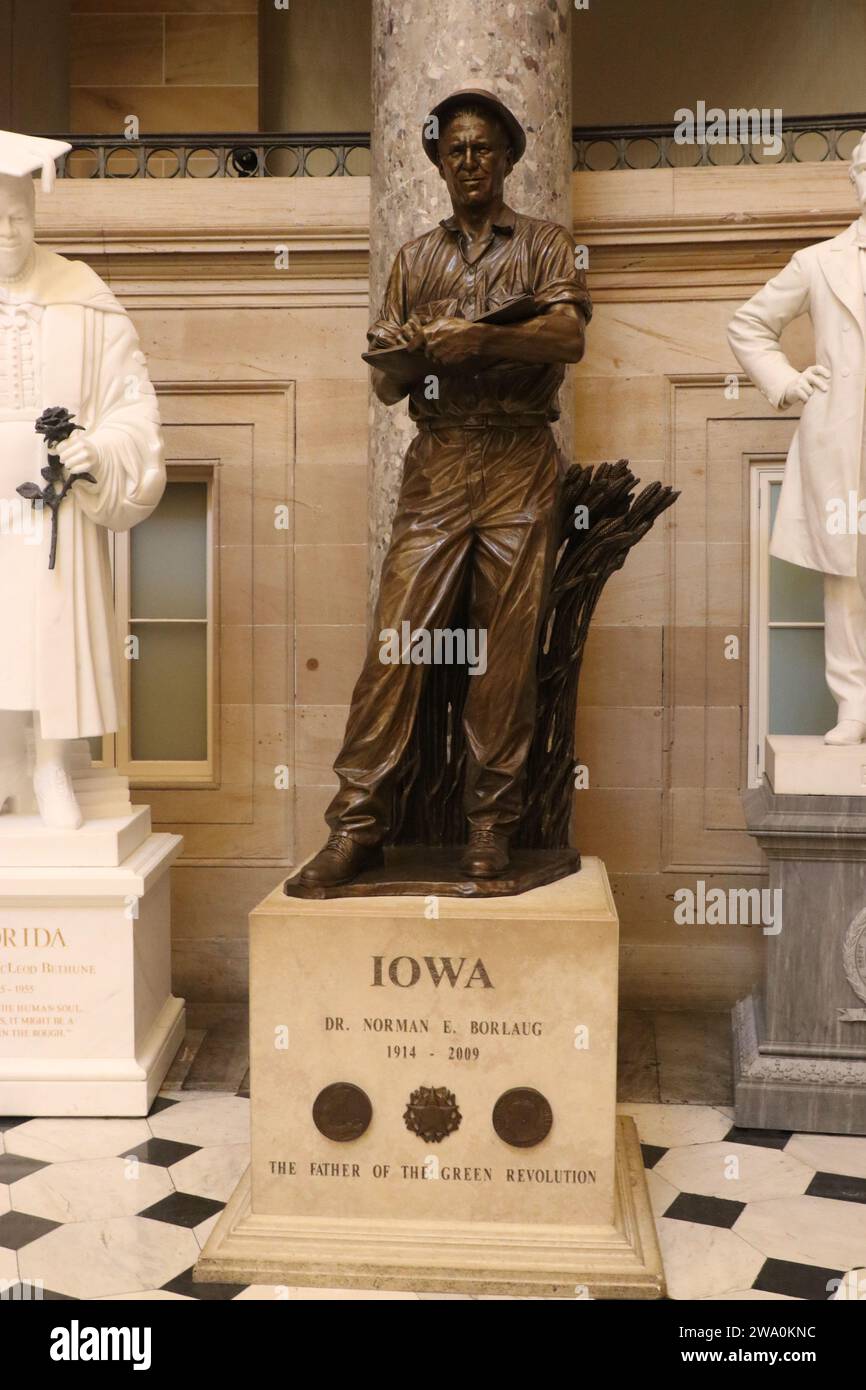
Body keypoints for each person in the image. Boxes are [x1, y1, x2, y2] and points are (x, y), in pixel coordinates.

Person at [302, 89, 591, 886]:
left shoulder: (543, 244)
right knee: (396, 641)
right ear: (438, 161)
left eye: (483, 149)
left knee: (503, 655)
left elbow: (567, 336)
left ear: (506, 160)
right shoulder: (413, 260)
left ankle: (491, 826)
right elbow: (389, 388)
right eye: (455, 149)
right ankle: (355, 823)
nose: (469, 161)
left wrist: (476, 337)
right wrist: (414, 354)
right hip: (438, 460)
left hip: (519, 459)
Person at [0, 131, 165, 828]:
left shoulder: (82, 295)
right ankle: (7, 763)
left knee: (51, 624)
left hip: (52, 503)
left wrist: (99, 450)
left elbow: (133, 403)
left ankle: (50, 763)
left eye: (17, 215)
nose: (8, 230)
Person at [728, 133, 866, 747]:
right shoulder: (819, 262)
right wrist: (786, 381)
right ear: (857, 182)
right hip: (843, 436)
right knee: (846, 574)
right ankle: (855, 705)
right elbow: (750, 323)